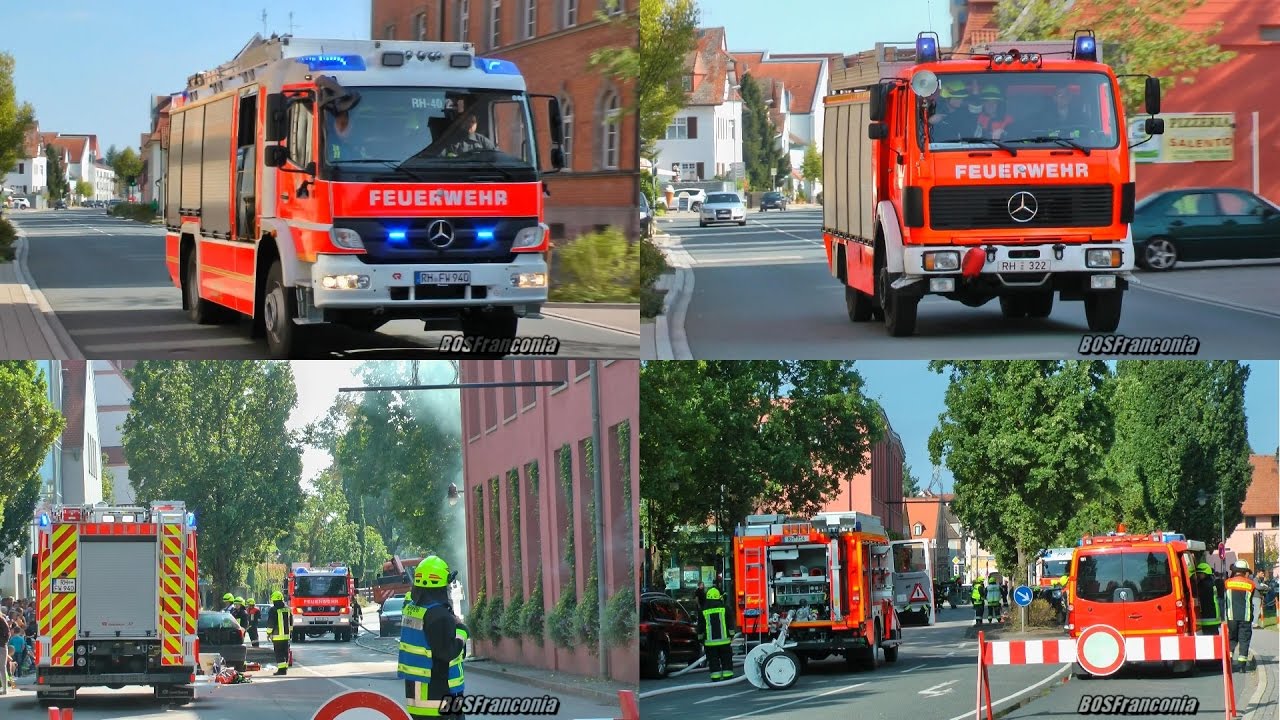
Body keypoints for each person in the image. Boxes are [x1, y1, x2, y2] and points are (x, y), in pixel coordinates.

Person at [399, 555, 468, 719]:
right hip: (441, 700)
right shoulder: (439, 615)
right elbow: (448, 652)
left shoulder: (413, 609)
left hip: (418, 700)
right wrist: (462, 631)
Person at [1224, 560, 1258, 672]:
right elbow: (1250, 601)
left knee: (1232, 639)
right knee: (1244, 640)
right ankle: (1242, 666)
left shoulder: (1227, 583)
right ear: (1245, 572)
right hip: (1245, 617)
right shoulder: (1251, 584)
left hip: (1231, 617)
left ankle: (1228, 663)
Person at [701, 587, 734, 681]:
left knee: (713, 660)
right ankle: (727, 675)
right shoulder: (725, 608)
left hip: (710, 643)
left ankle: (715, 676)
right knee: (726, 659)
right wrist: (731, 635)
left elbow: (700, 627)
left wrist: (700, 639)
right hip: (724, 642)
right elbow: (730, 623)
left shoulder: (703, 610)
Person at [1193, 562, 1223, 636]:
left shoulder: (1204, 584)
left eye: (1200, 573)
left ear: (1205, 573)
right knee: (1214, 635)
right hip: (1213, 612)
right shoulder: (1211, 582)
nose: (1199, 575)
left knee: (1209, 635)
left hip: (1209, 614)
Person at [269, 590, 292, 676]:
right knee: (285, 652)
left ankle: (281, 670)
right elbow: (291, 622)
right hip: (286, 636)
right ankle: (284, 668)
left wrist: (268, 633)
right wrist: (291, 631)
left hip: (277, 636)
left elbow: (270, 623)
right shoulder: (288, 609)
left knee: (279, 653)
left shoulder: (273, 610)